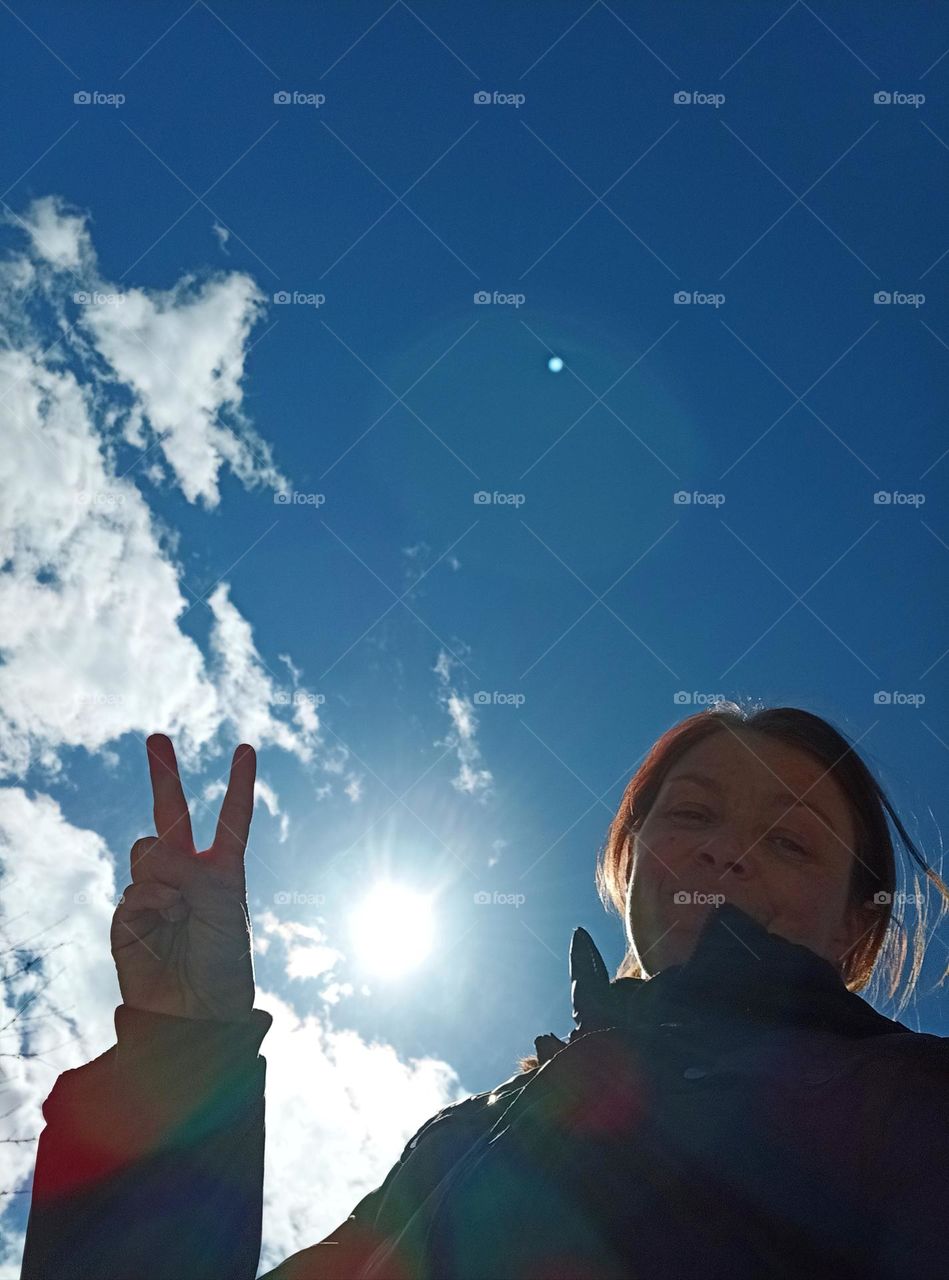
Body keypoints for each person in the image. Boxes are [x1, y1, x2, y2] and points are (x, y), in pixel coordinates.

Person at [19, 702, 949, 1279]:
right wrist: (184, 1043)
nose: (726, 849)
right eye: (694, 813)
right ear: (627, 868)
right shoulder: (466, 1136)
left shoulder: (912, 1099)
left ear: (852, 926)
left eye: (789, 841)